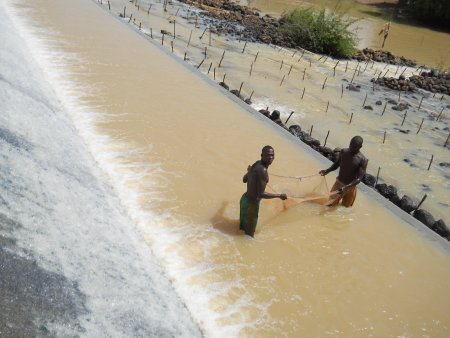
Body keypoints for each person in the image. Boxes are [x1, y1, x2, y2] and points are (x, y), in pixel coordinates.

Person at [240, 146, 287, 237]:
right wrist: (279, 196)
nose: (270, 158)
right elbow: (261, 194)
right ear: (262, 155)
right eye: (268, 155)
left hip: (244, 200)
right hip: (251, 206)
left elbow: (244, 179)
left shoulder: (256, 164)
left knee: (241, 230)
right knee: (248, 236)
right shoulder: (263, 171)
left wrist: (250, 171)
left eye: (272, 155)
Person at [319, 136, 368, 207]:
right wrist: (327, 171)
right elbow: (336, 164)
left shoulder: (363, 160)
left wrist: (346, 187)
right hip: (338, 184)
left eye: (354, 147)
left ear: (360, 146)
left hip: (351, 188)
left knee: (345, 208)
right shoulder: (344, 152)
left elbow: (359, 179)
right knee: (329, 205)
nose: (351, 148)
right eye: (351, 145)